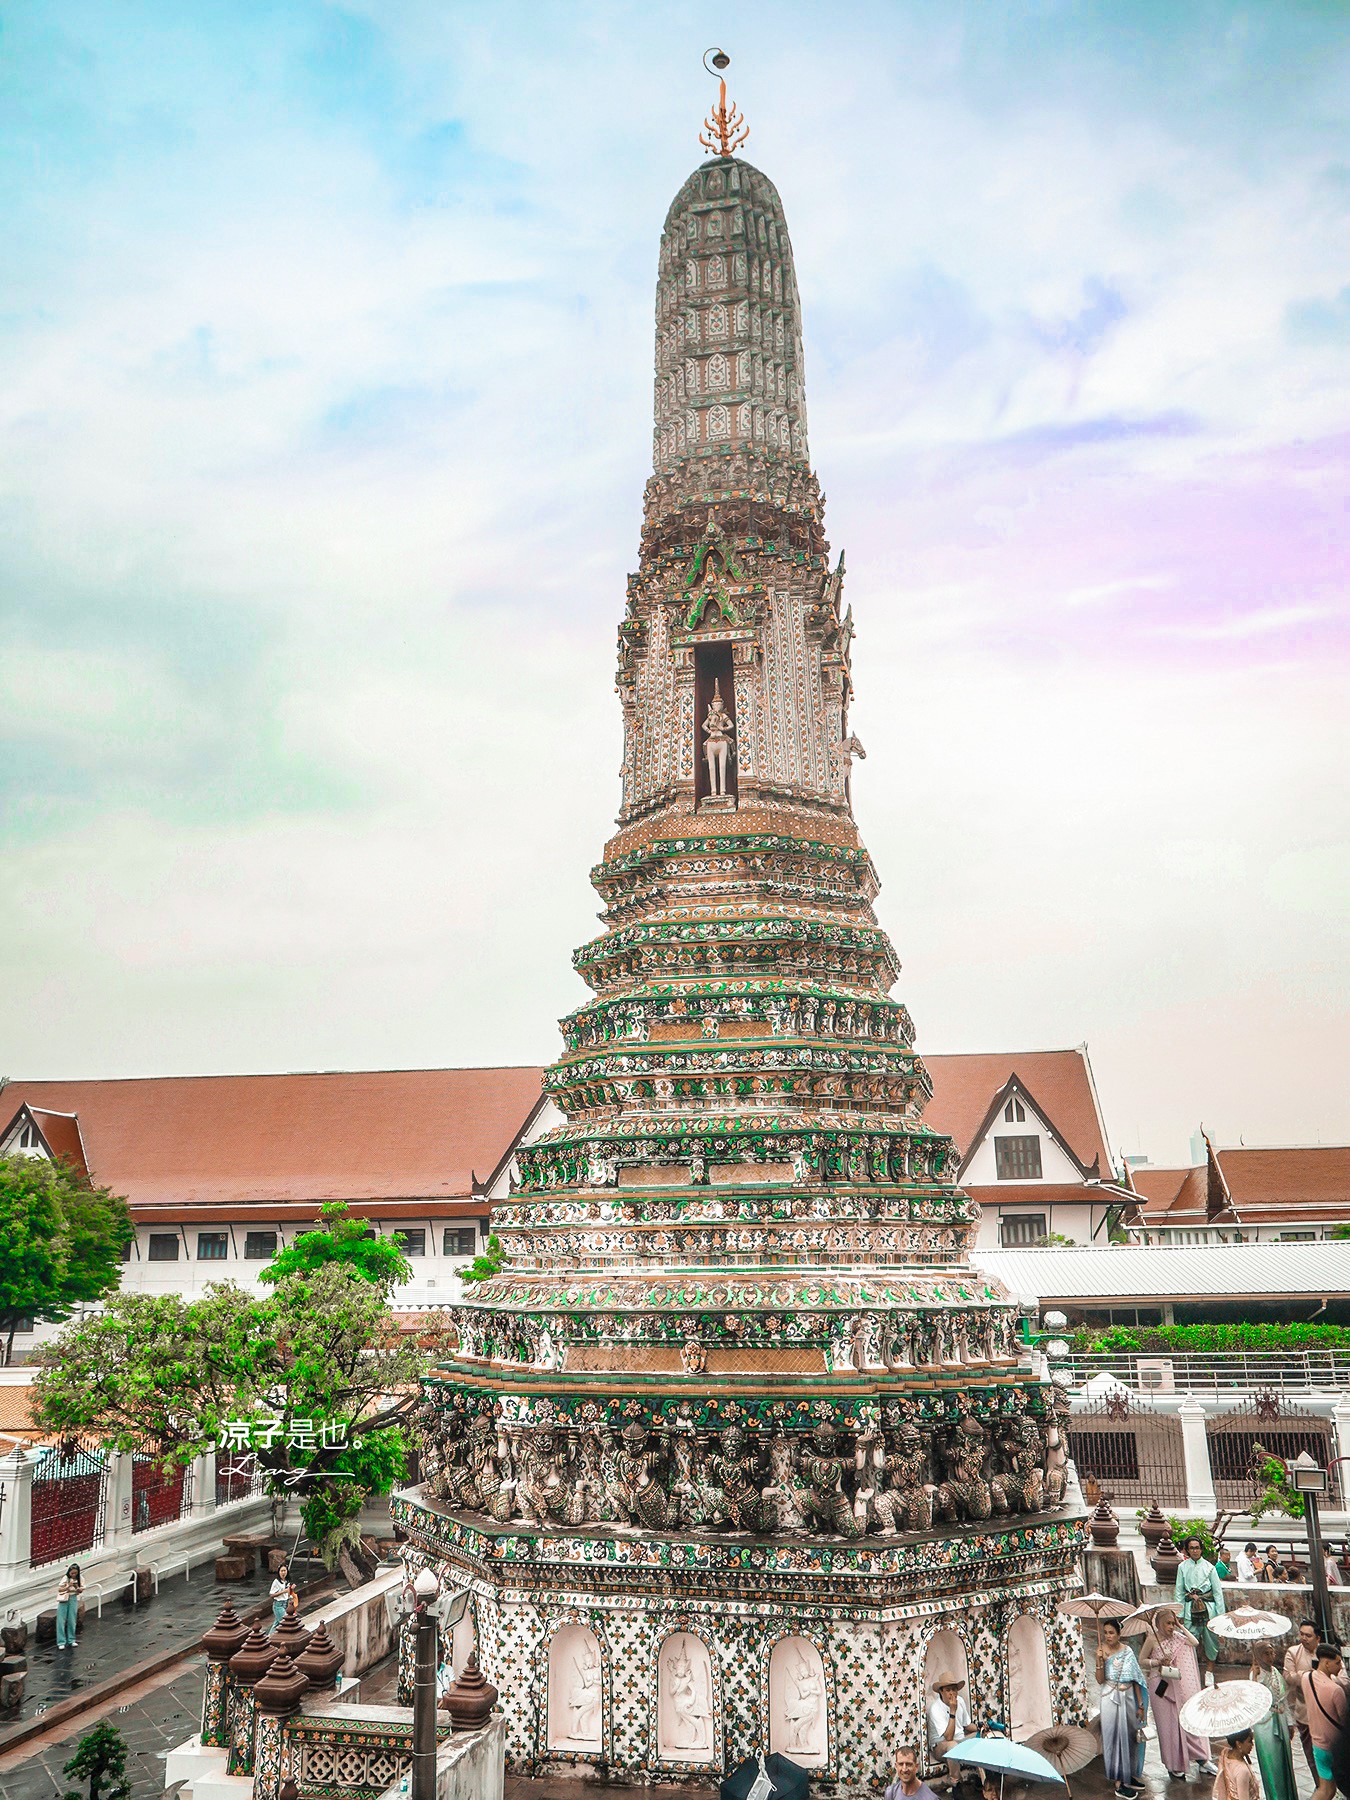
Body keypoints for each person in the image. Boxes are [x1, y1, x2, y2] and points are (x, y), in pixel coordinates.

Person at [1142, 1605, 1216, 1779]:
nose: (1170, 1627)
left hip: (1178, 1685)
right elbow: (1142, 1660)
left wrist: (1180, 1626)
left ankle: (1202, 1759)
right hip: (1160, 1686)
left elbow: (1194, 1642)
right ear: (1159, 1624)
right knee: (1168, 1727)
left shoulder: (1178, 1637)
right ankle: (1173, 1765)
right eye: (1167, 1623)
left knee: (1187, 1722)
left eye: (1172, 1623)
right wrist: (1157, 1662)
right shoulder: (1152, 1639)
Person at [1097, 1616, 1148, 1800]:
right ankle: (1119, 1783)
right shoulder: (1101, 1650)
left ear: (1119, 1634)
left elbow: (1136, 1679)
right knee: (1114, 1737)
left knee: (1130, 1736)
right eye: (1105, 1633)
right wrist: (1099, 1661)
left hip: (1129, 1698)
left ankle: (1128, 1775)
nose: (1108, 1636)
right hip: (1110, 1697)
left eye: (1111, 1633)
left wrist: (1141, 1705)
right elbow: (1100, 1680)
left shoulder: (1128, 1651)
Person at [1248, 1639, 1298, 1800]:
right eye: (1266, 1654)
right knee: (1272, 1762)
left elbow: (1283, 1698)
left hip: (1281, 1719)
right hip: (1266, 1723)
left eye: (1272, 1653)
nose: (1270, 1657)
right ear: (1258, 1655)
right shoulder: (1255, 1674)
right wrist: (1256, 1678)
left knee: (1285, 1760)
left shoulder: (1275, 1671)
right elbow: (1255, 1697)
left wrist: (1289, 1723)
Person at [1176, 1536, 1227, 1682]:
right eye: (1192, 1548)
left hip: (1209, 1609)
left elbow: (1217, 1593)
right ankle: (1190, 1670)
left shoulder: (1210, 1568)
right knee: (1189, 1640)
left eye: (1197, 1548)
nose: (1195, 1551)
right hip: (1189, 1609)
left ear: (1201, 1549)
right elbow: (1179, 1591)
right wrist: (1179, 1613)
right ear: (1187, 1550)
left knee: (1211, 1640)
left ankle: (1209, 1672)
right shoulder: (1182, 1567)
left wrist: (1220, 1616)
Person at [1302, 1641, 1348, 1800]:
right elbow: (1344, 1720)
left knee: (1325, 1790)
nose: (1340, 1667)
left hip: (1317, 1744)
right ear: (1327, 1663)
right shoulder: (1335, 1690)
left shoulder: (1306, 1678)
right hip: (1335, 1747)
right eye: (1337, 1663)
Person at [1284, 1619, 1323, 1779]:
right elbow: (1289, 1677)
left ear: (1318, 1638)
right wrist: (1309, 1676)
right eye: (1302, 1634)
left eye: (1308, 1635)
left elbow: (1343, 1680)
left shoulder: (1326, 1652)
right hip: (1305, 1713)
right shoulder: (1293, 1653)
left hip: (1326, 1711)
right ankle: (1319, 1785)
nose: (1304, 1638)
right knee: (1311, 1755)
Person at [927, 1675, 971, 1782]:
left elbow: (967, 1725)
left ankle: (988, 1781)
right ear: (941, 1692)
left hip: (960, 1741)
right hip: (941, 1746)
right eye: (948, 1690)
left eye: (954, 1689)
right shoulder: (935, 1708)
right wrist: (952, 1711)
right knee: (952, 1746)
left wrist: (981, 1728)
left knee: (984, 1736)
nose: (952, 1693)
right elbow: (949, 1737)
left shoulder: (960, 1701)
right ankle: (956, 1781)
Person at [1214, 1731, 1259, 1800]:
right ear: (1238, 1744)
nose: (1252, 1745)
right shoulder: (1242, 1771)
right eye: (1249, 1741)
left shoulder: (1225, 1753)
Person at [55, 1564, 81, 1649]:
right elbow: (60, 1589)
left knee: (72, 1619)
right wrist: (68, 1586)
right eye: (72, 1573)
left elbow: (80, 1590)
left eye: (75, 1573)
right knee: (61, 1620)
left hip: (73, 1597)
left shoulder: (80, 1579)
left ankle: (71, 1639)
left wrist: (77, 1587)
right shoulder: (65, 1578)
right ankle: (61, 1641)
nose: (73, 1575)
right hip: (64, 1598)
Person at [269, 1560, 290, 1630]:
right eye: (281, 1571)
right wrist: (283, 1591)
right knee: (285, 1622)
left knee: (277, 1624)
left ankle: (270, 1635)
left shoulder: (287, 1581)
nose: (283, 1573)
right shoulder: (276, 1582)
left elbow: (288, 1593)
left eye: (284, 1571)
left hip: (285, 1603)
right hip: (278, 1605)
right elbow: (271, 1594)